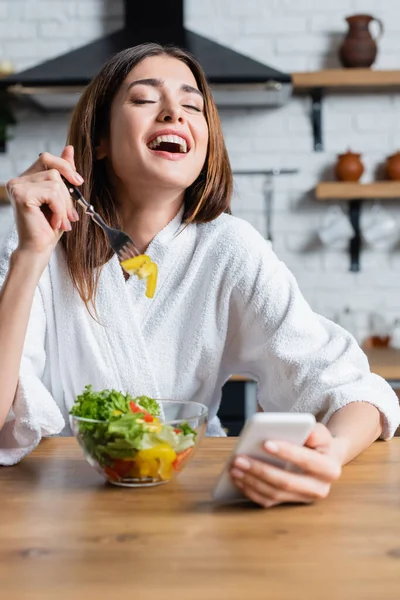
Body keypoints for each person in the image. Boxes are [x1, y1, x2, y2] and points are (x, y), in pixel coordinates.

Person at [0, 43, 399, 508]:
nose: (174, 113)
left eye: (192, 105)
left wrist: (331, 453)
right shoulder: (39, 245)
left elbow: (352, 391)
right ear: (100, 139)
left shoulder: (231, 248)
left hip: (186, 494)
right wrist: (29, 256)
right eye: (145, 100)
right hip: (59, 500)